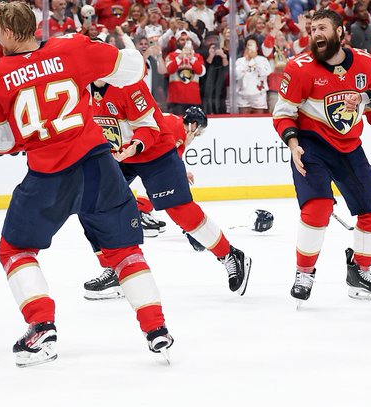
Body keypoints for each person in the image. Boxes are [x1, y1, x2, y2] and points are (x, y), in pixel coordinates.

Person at [0, 2, 172, 366]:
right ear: (34, 27)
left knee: (14, 250)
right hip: (99, 167)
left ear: (4, 32)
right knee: (124, 252)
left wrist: (27, 137)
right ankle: (157, 329)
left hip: (47, 177)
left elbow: (1, 144)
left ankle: (41, 325)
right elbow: (134, 68)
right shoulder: (70, 47)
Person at [272, 9, 371, 305]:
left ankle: (360, 272)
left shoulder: (366, 64)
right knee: (317, 208)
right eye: (312, 28)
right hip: (311, 145)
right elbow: (283, 115)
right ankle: (304, 272)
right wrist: (293, 144)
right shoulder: (299, 68)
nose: (316, 33)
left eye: (322, 27)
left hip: (349, 146)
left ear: (340, 32)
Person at [82, 91, 249, 297]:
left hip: (155, 151)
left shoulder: (128, 83)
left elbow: (150, 127)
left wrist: (137, 147)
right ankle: (115, 270)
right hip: (122, 155)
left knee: (180, 210)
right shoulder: (85, 86)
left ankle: (229, 255)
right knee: (92, 202)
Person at [233, 38, 271, 113]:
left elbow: (265, 72)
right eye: (248, 45)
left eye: (252, 46)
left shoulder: (262, 60)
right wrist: (247, 61)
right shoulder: (240, 61)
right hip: (243, 95)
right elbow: (236, 75)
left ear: (257, 47)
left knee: (258, 120)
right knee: (243, 120)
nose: (250, 48)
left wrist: (255, 59)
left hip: (259, 95)